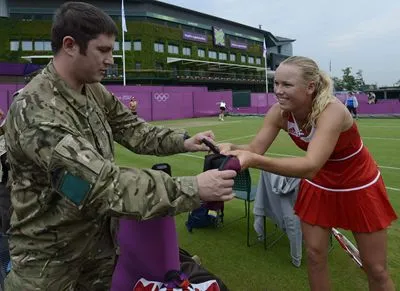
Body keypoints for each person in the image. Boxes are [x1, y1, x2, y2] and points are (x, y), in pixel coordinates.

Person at [4, 2, 236, 290]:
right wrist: (192, 188)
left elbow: (132, 130)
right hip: (48, 267)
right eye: (103, 50)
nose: (111, 59)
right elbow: (100, 185)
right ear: (70, 45)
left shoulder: (92, 90)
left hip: (97, 255)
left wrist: (184, 140)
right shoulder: (35, 110)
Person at [218, 56, 397, 291]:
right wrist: (232, 148)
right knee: (314, 257)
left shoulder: (332, 111)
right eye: (276, 84)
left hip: (358, 183)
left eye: (287, 85)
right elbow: (254, 149)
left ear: (310, 87)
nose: (278, 91)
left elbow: (311, 165)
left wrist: (253, 160)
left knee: (376, 269)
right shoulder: (279, 112)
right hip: (321, 183)